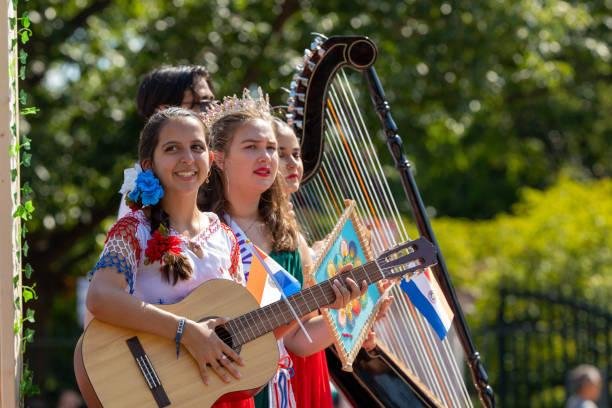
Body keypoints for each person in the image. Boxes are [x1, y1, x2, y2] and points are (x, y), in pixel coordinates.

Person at [200, 90, 367, 408]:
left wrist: (353, 307)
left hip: (280, 392)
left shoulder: (287, 238)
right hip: (222, 390)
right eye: (251, 147)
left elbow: (299, 341)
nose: (266, 158)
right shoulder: (201, 231)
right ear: (218, 158)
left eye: (271, 149)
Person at [86, 107, 252, 407]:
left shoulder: (224, 235)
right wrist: (185, 331)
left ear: (210, 160)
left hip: (216, 392)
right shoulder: (134, 230)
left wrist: (319, 304)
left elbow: (241, 324)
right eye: (172, 148)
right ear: (149, 164)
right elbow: (100, 297)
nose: (187, 158)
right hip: (156, 392)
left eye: (197, 147)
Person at [119, 65, 217, 218]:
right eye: (203, 103)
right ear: (164, 111)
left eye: (212, 101)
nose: (214, 111)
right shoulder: (138, 199)